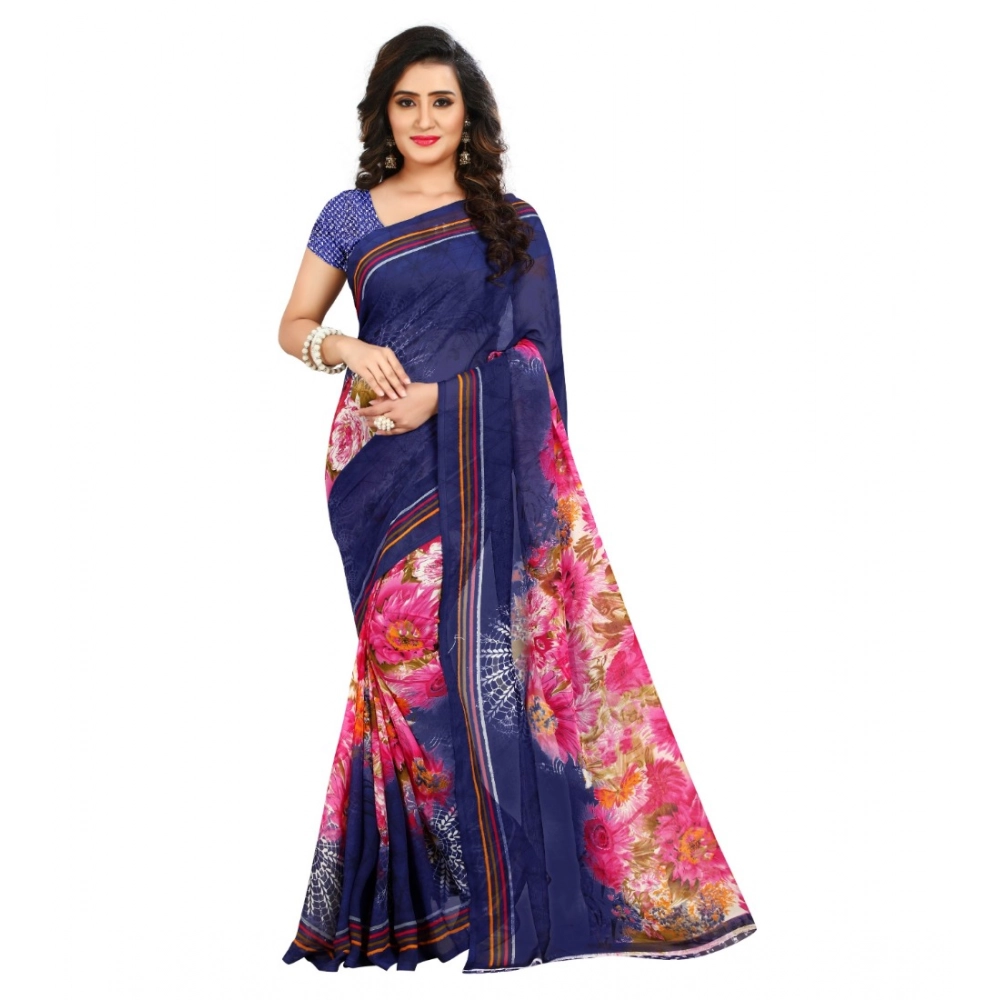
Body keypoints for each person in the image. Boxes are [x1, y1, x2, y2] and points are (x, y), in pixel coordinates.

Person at [277, 25, 757, 974]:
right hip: (379, 478)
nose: (424, 119)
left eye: (441, 101)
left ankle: (506, 890)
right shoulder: (348, 215)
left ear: (469, 115)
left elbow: (536, 360)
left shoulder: (512, 220)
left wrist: (442, 400)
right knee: (410, 671)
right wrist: (343, 346)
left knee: (489, 665)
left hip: (476, 466)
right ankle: (457, 887)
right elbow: (292, 323)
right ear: (383, 113)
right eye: (406, 102)